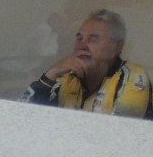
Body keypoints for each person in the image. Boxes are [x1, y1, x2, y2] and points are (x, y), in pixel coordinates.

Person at [22, 9, 151, 118]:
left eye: (93, 39)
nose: (82, 45)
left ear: (117, 47)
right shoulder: (67, 78)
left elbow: (118, 134)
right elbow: (24, 119)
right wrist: (50, 76)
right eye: (80, 38)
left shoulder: (134, 78)